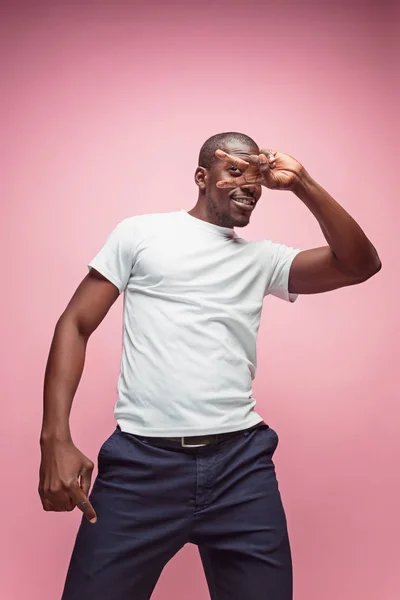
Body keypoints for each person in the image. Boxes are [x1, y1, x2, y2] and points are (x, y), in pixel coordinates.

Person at [39, 132, 381, 600]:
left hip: (241, 468)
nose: (248, 185)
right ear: (202, 177)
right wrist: (54, 437)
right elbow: (75, 323)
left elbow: (361, 264)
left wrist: (302, 183)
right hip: (142, 465)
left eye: (256, 177)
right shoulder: (140, 233)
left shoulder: (264, 259)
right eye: (233, 172)